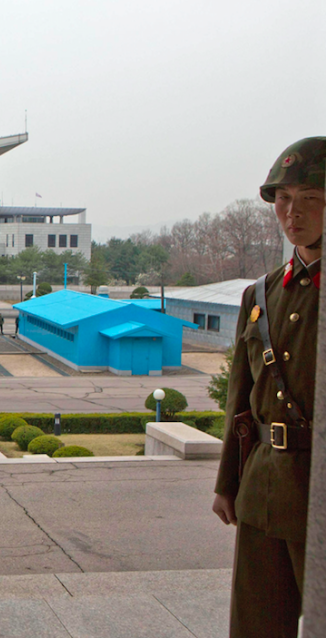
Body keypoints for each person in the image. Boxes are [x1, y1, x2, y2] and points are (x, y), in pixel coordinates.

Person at [212, 137, 325, 638]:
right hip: (263, 488)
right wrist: (227, 482)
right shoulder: (260, 294)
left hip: (318, 494)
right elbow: (241, 400)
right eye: (283, 199)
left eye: (310, 199)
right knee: (256, 625)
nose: (292, 213)